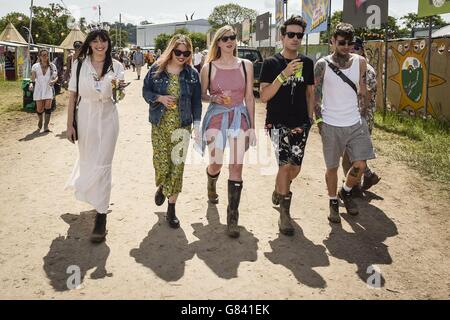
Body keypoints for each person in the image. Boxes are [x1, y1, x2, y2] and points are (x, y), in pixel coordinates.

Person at [65, 27, 126, 243]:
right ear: (90, 44)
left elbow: (119, 96)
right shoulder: (79, 65)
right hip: (86, 117)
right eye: (96, 41)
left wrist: (120, 89)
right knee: (89, 160)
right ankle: (92, 194)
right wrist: (69, 125)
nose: (100, 45)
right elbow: (72, 97)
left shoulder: (117, 66)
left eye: (104, 41)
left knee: (104, 163)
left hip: (108, 118)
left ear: (109, 44)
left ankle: (101, 216)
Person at [314, 23, 376, 223]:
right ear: (332, 41)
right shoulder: (322, 65)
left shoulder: (361, 62)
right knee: (332, 168)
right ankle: (333, 202)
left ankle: (346, 190)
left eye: (350, 43)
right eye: (342, 42)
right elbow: (315, 96)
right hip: (331, 123)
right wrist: (319, 121)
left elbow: (364, 90)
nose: (346, 46)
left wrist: (363, 114)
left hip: (355, 122)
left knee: (360, 163)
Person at [259, 15, 315, 236]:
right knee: (284, 165)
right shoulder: (271, 63)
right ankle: (284, 215)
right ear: (282, 37)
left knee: (295, 168)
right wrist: (283, 75)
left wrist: (309, 120)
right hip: (277, 122)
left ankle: (279, 188)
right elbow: (264, 96)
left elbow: (310, 93)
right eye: (290, 34)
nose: (295, 39)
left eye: (299, 35)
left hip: (300, 122)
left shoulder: (308, 63)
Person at [199, 25, 256, 238]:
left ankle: (233, 217)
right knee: (217, 162)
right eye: (224, 39)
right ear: (218, 43)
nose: (229, 41)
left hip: (240, 116)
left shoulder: (246, 65)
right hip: (216, 116)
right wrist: (213, 98)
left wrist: (251, 127)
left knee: (237, 167)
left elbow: (250, 97)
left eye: (232, 37)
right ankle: (211, 179)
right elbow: (202, 95)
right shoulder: (209, 68)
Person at [143, 34, 202, 228]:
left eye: (186, 52)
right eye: (178, 52)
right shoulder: (156, 69)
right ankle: (163, 185)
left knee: (177, 167)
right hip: (160, 125)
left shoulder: (192, 74)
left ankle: (171, 208)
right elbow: (146, 92)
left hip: (182, 126)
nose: (182, 56)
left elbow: (196, 102)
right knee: (161, 163)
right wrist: (159, 98)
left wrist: (198, 126)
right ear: (171, 50)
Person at [342, 37, 381, 192]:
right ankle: (366, 177)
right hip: (351, 117)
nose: (351, 50)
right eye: (349, 46)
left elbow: (366, 98)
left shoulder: (367, 70)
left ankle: (352, 188)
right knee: (352, 154)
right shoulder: (353, 68)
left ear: (362, 50)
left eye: (356, 47)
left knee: (350, 155)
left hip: (360, 119)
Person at [29, 49, 58, 132]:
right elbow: (33, 77)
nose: (45, 56)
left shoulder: (52, 66)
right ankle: (40, 120)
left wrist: (53, 81)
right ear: (39, 57)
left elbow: (56, 76)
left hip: (48, 88)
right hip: (38, 89)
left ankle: (46, 126)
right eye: (43, 55)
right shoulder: (35, 66)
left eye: (46, 55)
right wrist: (31, 84)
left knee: (48, 107)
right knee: (39, 109)